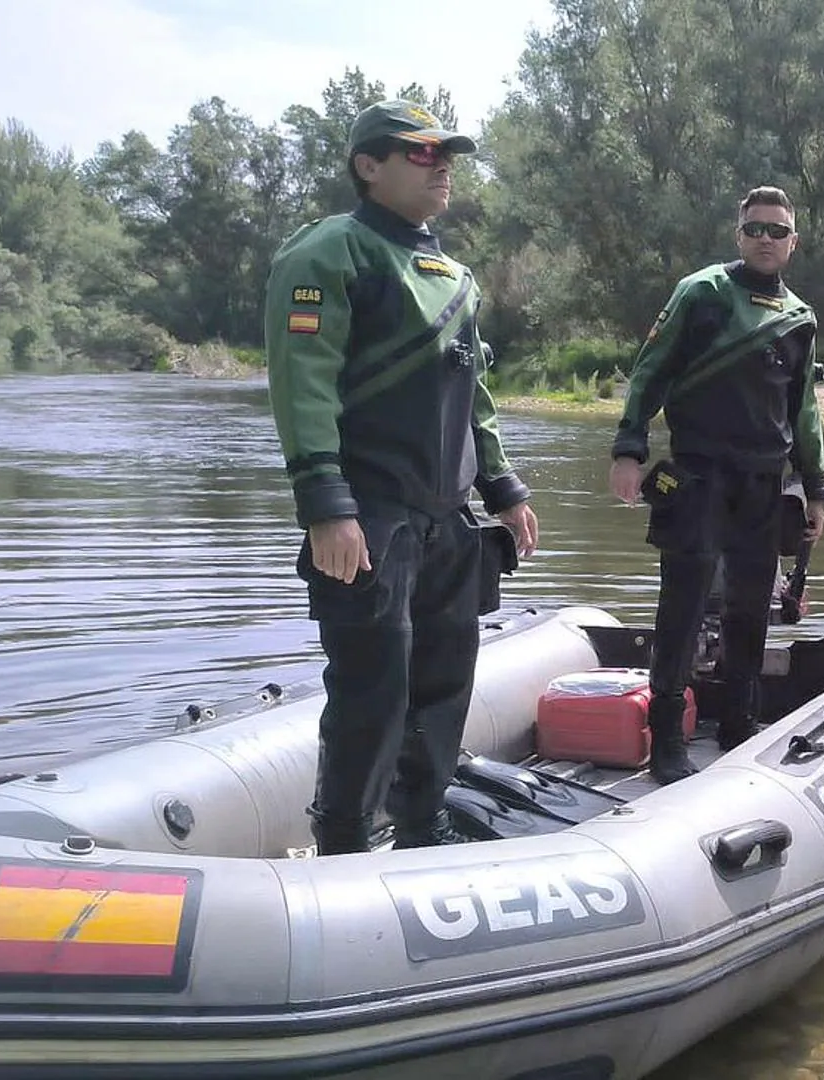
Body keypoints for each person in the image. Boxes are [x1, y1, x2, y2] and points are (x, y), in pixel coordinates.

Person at [264, 100, 538, 855]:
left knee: (443, 687)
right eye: (420, 153)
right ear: (368, 166)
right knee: (371, 693)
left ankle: (423, 822)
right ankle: (345, 839)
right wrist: (325, 503)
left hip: (448, 521)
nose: (441, 164)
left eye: (446, 153)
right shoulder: (330, 253)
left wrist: (503, 487)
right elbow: (302, 383)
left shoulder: (454, 274)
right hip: (368, 515)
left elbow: (473, 391)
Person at [609, 185, 824, 784]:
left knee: (751, 606)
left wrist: (816, 487)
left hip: (764, 483)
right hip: (698, 475)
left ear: (792, 243)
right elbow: (649, 373)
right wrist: (629, 450)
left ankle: (738, 720)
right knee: (682, 604)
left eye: (777, 230)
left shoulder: (800, 319)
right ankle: (667, 735)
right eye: (755, 228)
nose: (765, 238)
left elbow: (804, 408)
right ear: (739, 236)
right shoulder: (701, 292)